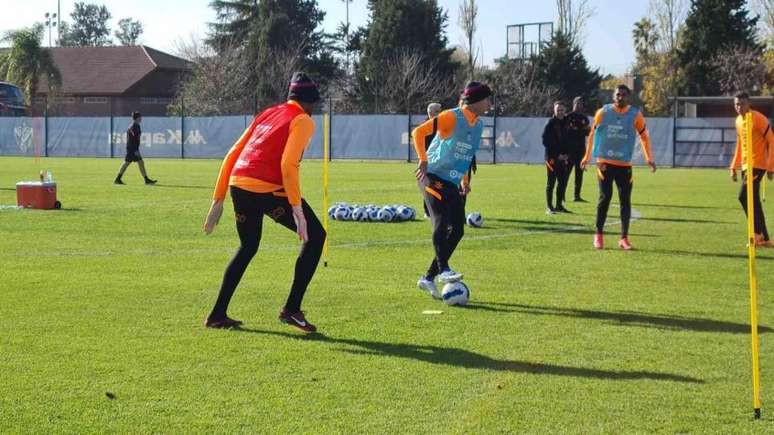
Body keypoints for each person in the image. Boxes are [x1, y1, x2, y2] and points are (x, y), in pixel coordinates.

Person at [202, 72, 326, 332]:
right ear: (307, 101)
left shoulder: (267, 113)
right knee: (316, 236)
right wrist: (296, 207)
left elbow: (233, 152)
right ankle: (292, 309)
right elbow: (288, 164)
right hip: (267, 189)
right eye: (314, 103)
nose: (314, 109)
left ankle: (217, 314)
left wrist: (219, 197)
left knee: (247, 247)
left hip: (239, 185)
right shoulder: (302, 120)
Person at [411, 81, 492, 298]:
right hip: (431, 176)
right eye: (487, 98)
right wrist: (422, 159)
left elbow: (465, 155)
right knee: (441, 221)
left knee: (458, 229)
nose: (490, 102)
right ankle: (444, 269)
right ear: (476, 100)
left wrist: (464, 180)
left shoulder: (479, 124)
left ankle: (428, 278)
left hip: (451, 182)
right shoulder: (451, 116)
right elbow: (418, 133)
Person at [581, 84, 656, 250]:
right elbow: (592, 134)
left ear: (628, 97)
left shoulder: (635, 115)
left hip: (624, 165)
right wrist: (587, 157)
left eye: (623, 95)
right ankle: (598, 234)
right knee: (605, 197)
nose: (620, 97)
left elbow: (644, 137)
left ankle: (624, 238)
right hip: (605, 163)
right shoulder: (603, 112)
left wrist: (649, 158)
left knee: (625, 201)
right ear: (613, 96)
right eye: (617, 94)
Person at [729, 92, 774, 247]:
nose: (739, 107)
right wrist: (733, 166)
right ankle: (765, 239)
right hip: (746, 166)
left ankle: (756, 233)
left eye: (741, 104)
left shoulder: (758, 118)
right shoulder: (738, 121)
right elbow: (740, 146)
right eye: (736, 104)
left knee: (743, 196)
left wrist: (771, 167)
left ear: (749, 104)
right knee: (753, 200)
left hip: (758, 165)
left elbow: (772, 141)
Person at [542, 101, 570, 214]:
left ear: (565, 110)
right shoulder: (550, 123)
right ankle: (549, 207)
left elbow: (568, 140)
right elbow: (545, 141)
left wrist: (566, 154)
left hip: (563, 158)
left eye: (562, 110)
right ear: (554, 110)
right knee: (551, 182)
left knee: (562, 182)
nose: (560, 112)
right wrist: (556, 155)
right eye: (558, 110)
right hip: (552, 158)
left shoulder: (567, 123)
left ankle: (559, 205)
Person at [114, 111, 157, 185]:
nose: (141, 118)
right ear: (137, 118)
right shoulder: (134, 126)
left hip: (131, 148)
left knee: (128, 163)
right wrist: (135, 150)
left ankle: (118, 179)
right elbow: (133, 139)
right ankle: (146, 180)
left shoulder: (134, 125)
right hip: (133, 149)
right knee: (139, 162)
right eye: (140, 117)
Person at [417, 102, 442, 218]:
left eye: (441, 110)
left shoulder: (442, 125)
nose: (440, 113)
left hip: (440, 160)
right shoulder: (425, 126)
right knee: (428, 186)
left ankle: (439, 210)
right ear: (430, 113)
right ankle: (427, 211)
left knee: (440, 186)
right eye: (437, 111)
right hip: (428, 161)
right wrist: (423, 159)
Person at [565, 96, 591, 202]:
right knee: (566, 173)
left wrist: (580, 130)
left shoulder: (584, 118)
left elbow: (587, 132)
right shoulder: (568, 117)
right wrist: (578, 130)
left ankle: (577, 196)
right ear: (573, 104)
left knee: (579, 173)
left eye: (581, 104)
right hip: (569, 150)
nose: (579, 105)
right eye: (577, 103)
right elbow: (566, 132)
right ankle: (561, 195)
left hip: (580, 149)